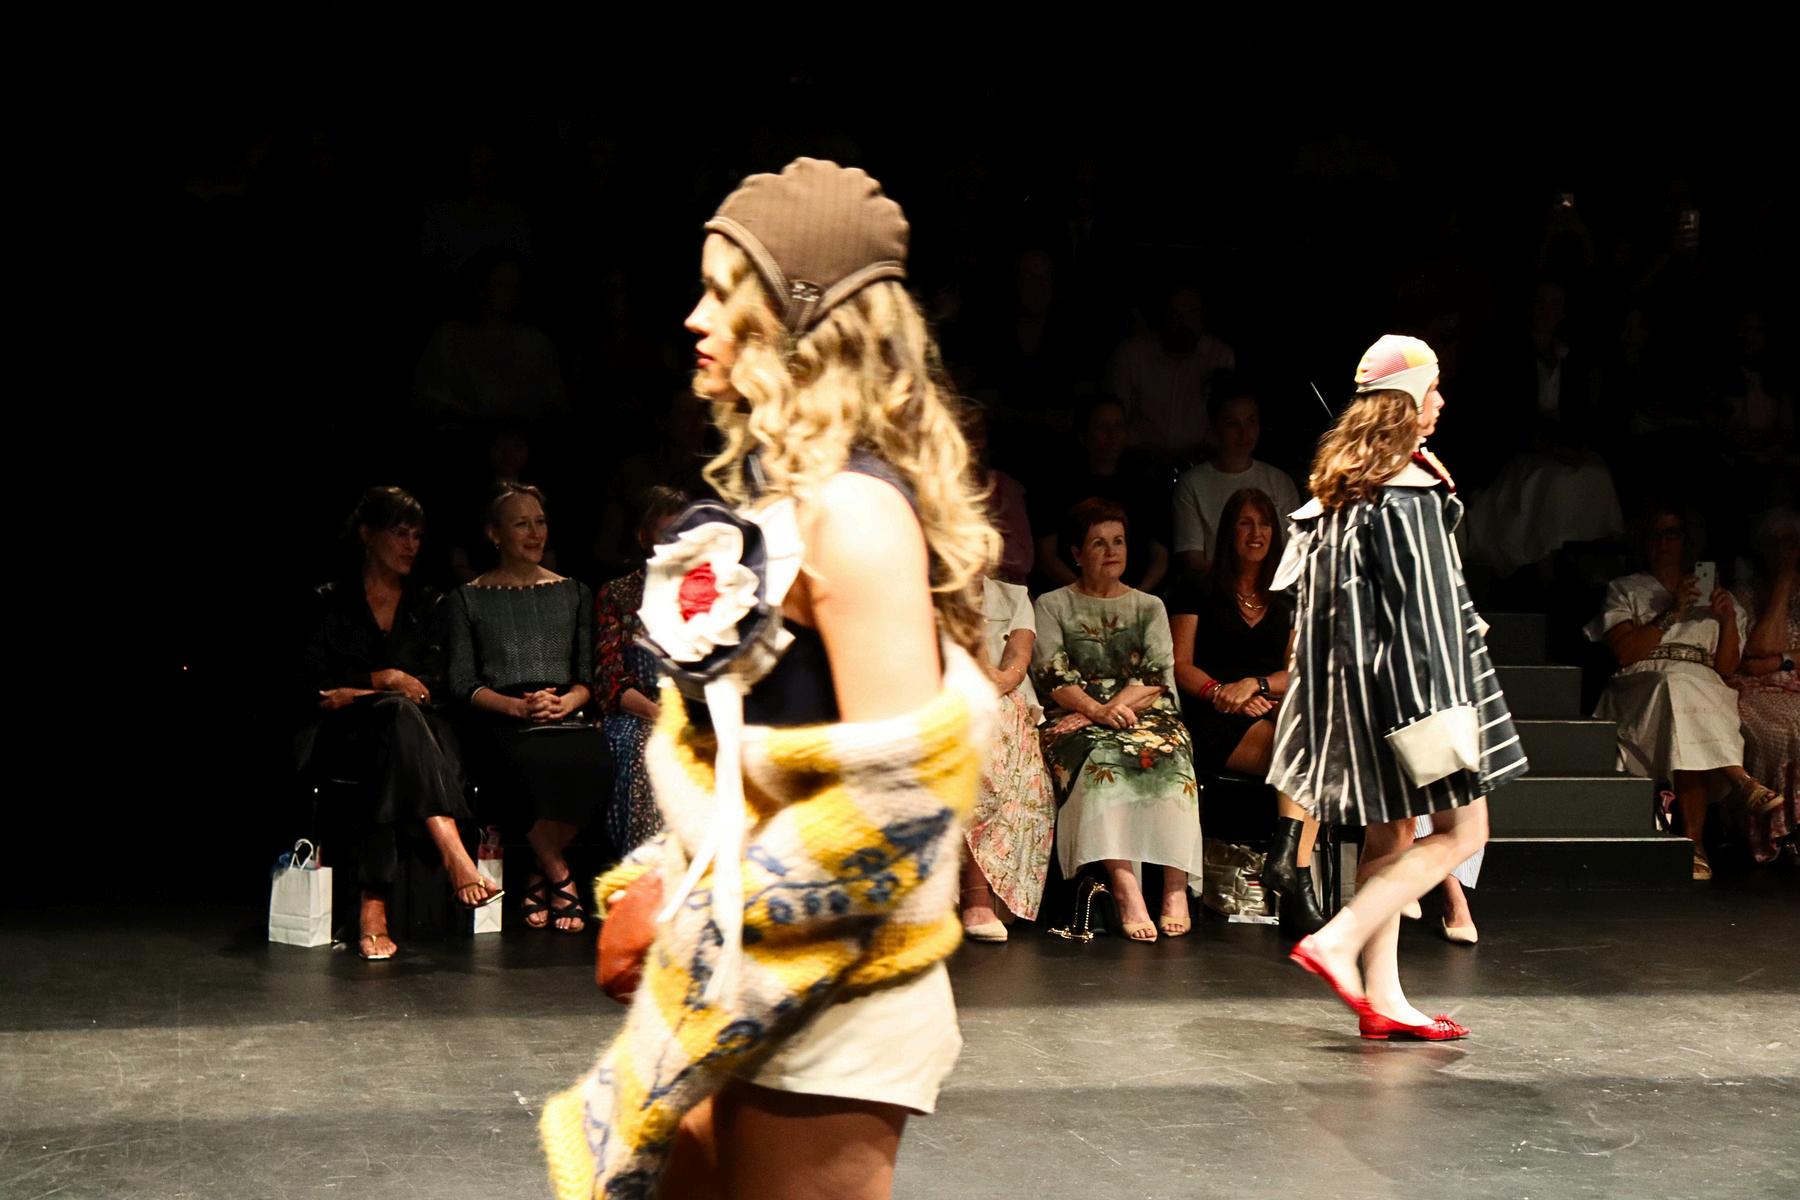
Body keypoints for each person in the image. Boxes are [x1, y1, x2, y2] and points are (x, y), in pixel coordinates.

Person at [541, 159, 999, 1200]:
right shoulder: (786, 500)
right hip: (752, 981)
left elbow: (901, 804)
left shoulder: (857, 514)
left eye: (722, 292)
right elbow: (749, 763)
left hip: (833, 1005)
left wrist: (693, 913)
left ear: (799, 312)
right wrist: (668, 879)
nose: (695, 319)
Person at [1274, 335, 1528, 1041]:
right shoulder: (1408, 490)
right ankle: (1340, 937)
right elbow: (1426, 613)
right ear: (1407, 399)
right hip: (1414, 689)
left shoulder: (1342, 487)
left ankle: (1384, 997)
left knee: (1390, 833)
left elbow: (1309, 606)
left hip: (1356, 694)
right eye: (1433, 388)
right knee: (1464, 829)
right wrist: (1441, 706)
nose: (1441, 400)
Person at [299, 487, 501, 961]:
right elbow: (314, 686)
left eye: (417, 536)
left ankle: (374, 905)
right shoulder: (330, 600)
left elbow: (433, 687)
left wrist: (361, 689)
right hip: (342, 737)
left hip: (411, 737)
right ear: (368, 535)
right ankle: (453, 850)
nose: (411, 545)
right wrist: (386, 680)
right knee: (395, 716)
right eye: (400, 533)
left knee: (398, 729)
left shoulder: (429, 605)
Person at [1034, 499, 1201, 942]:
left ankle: (1175, 888)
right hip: (1075, 716)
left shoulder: (1149, 606)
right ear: (1076, 552)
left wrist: (1111, 710)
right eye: (1098, 543)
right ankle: (1126, 889)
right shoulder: (1052, 605)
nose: (1111, 551)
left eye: (1119, 541)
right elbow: (1052, 676)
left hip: (1143, 710)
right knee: (1102, 760)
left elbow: (1156, 676)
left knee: (1172, 756)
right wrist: (1096, 711)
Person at [1584, 503, 1777, 879]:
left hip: (1703, 686)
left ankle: (1695, 844)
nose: (1663, 542)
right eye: (1655, 534)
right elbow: (1625, 652)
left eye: (1671, 533)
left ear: (1688, 542)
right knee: (1675, 685)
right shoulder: (1626, 590)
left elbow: (1726, 667)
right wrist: (1672, 612)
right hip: (1644, 683)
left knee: (1687, 705)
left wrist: (1726, 621)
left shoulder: (1717, 597)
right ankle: (1738, 784)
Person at [448, 482, 604, 931]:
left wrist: (566, 702)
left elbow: (588, 676)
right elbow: (461, 683)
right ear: (494, 534)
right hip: (500, 715)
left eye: (540, 522)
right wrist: (518, 708)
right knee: (519, 762)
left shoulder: (574, 592)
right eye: (522, 524)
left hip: (560, 709)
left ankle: (539, 867)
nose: (536, 533)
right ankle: (560, 874)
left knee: (597, 759)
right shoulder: (468, 598)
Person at [1168, 488, 1322, 939]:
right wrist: (1223, 692)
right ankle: (1297, 884)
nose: (1256, 533)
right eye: (1245, 523)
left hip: (1268, 705)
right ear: (1228, 531)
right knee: (1309, 760)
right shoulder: (1198, 586)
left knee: (1309, 743)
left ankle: (1288, 866)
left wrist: (1256, 686)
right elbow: (1180, 665)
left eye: (1265, 524)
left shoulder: (1287, 595)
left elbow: (1296, 671)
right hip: (1212, 711)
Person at [592, 485, 690, 855]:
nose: (675, 543)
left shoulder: (707, 591)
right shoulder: (618, 594)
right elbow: (609, 679)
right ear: (643, 537)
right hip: (640, 712)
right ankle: (647, 872)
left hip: (696, 711)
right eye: (666, 534)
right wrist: (661, 716)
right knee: (650, 749)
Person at [960, 575, 1057, 941]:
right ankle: (975, 893)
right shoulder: (927, 589)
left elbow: (1019, 656)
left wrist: (995, 684)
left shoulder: (1012, 596)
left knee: (997, 727)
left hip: (1005, 695)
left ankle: (985, 889)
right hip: (943, 688)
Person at [1030, 396, 1171, 593]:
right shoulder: (1057, 485)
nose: (1111, 434)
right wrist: (1088, 594)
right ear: (1083, 435)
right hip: (1071, 596)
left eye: (1118, 426)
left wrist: (1134, 597)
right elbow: (1046, 556)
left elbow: (1160, 557)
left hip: (1135, 595)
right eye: (1101, 427)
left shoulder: (1146, 485)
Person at [1728, 508, 1799, 861]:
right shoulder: (1744, 592)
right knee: (1776, 728)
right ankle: (1777, 830)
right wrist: (1783, 583)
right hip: (1754, 685)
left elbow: (1771, 654)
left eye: (1790, 542)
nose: (1783, 550)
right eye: (1774, 542)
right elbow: (1757, 649)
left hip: (1791, 681)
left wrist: (1782, 659)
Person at [1170, 387, 1302, 575]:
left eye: (1251, 421)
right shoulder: (1192, 484)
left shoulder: (1280, 482)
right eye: (1232, 423)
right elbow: (1193, 558)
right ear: (1215, 428)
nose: (1244, 432)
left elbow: (1293, 549)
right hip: (1215, 588)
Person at [1106, 280, 1235, 463]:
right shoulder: (1131, 354)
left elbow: (1226, 416)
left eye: (1192, 314)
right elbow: (1113, 417)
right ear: (1162, 316)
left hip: (1200, 463)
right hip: (1138, 461)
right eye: (1175, 314)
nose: (1183, 323)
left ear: (1203, 316)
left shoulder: (1218, 356)